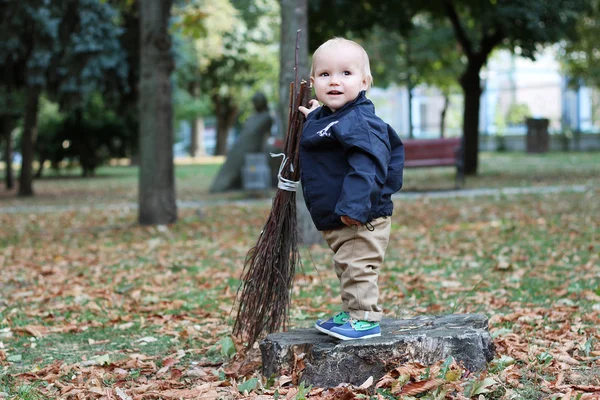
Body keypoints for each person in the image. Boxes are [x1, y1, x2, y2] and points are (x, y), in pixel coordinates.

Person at [298, 38, 405, 340]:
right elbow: (328, 131)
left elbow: (367, 168)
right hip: (341, 215)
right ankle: (352, 311)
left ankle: (364, 318)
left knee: (358, 266)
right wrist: (314, 116)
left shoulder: (359, 121)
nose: (335, 81)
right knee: (346, 265)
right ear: (313, 82)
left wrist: (354, 209)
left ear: (365, 82)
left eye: (346, 74)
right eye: (325, 75)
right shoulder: (335, 117)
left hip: (360, 215)